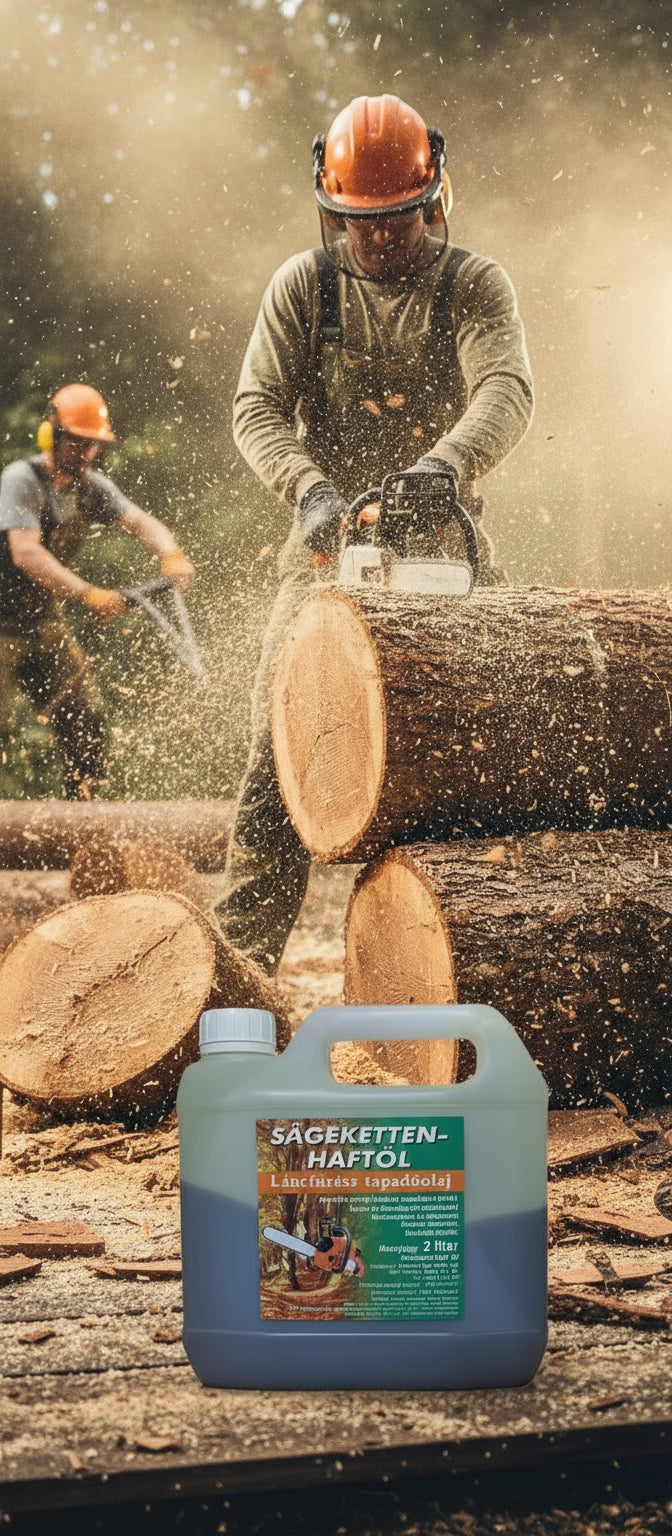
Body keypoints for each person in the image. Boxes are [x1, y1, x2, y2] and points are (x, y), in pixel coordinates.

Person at [216, 93, 534, 974]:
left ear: (430, 200)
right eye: (359, 221)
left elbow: (505, 391)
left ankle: (481, 962)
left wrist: (443, 469)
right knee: (277, 773)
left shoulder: (472, 283)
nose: (380, 238)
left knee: (480, 754)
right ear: (330, 208)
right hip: (322, 550)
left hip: (445, 547)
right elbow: (255, 409)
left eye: (395, 219)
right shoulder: (304, 287)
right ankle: (237, 980)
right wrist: (309, 487)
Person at [0, 382, 195, 798]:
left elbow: (141, 521)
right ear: (53, 433)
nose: (85, 454)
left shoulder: (91, 488)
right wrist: (88, 592)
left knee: (84, 722)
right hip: (1, 626)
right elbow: (26, 553)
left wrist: (170, 551)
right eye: (76, 443)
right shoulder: (22, 480)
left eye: (92, 446)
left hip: (42, 622)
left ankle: (84, 824)